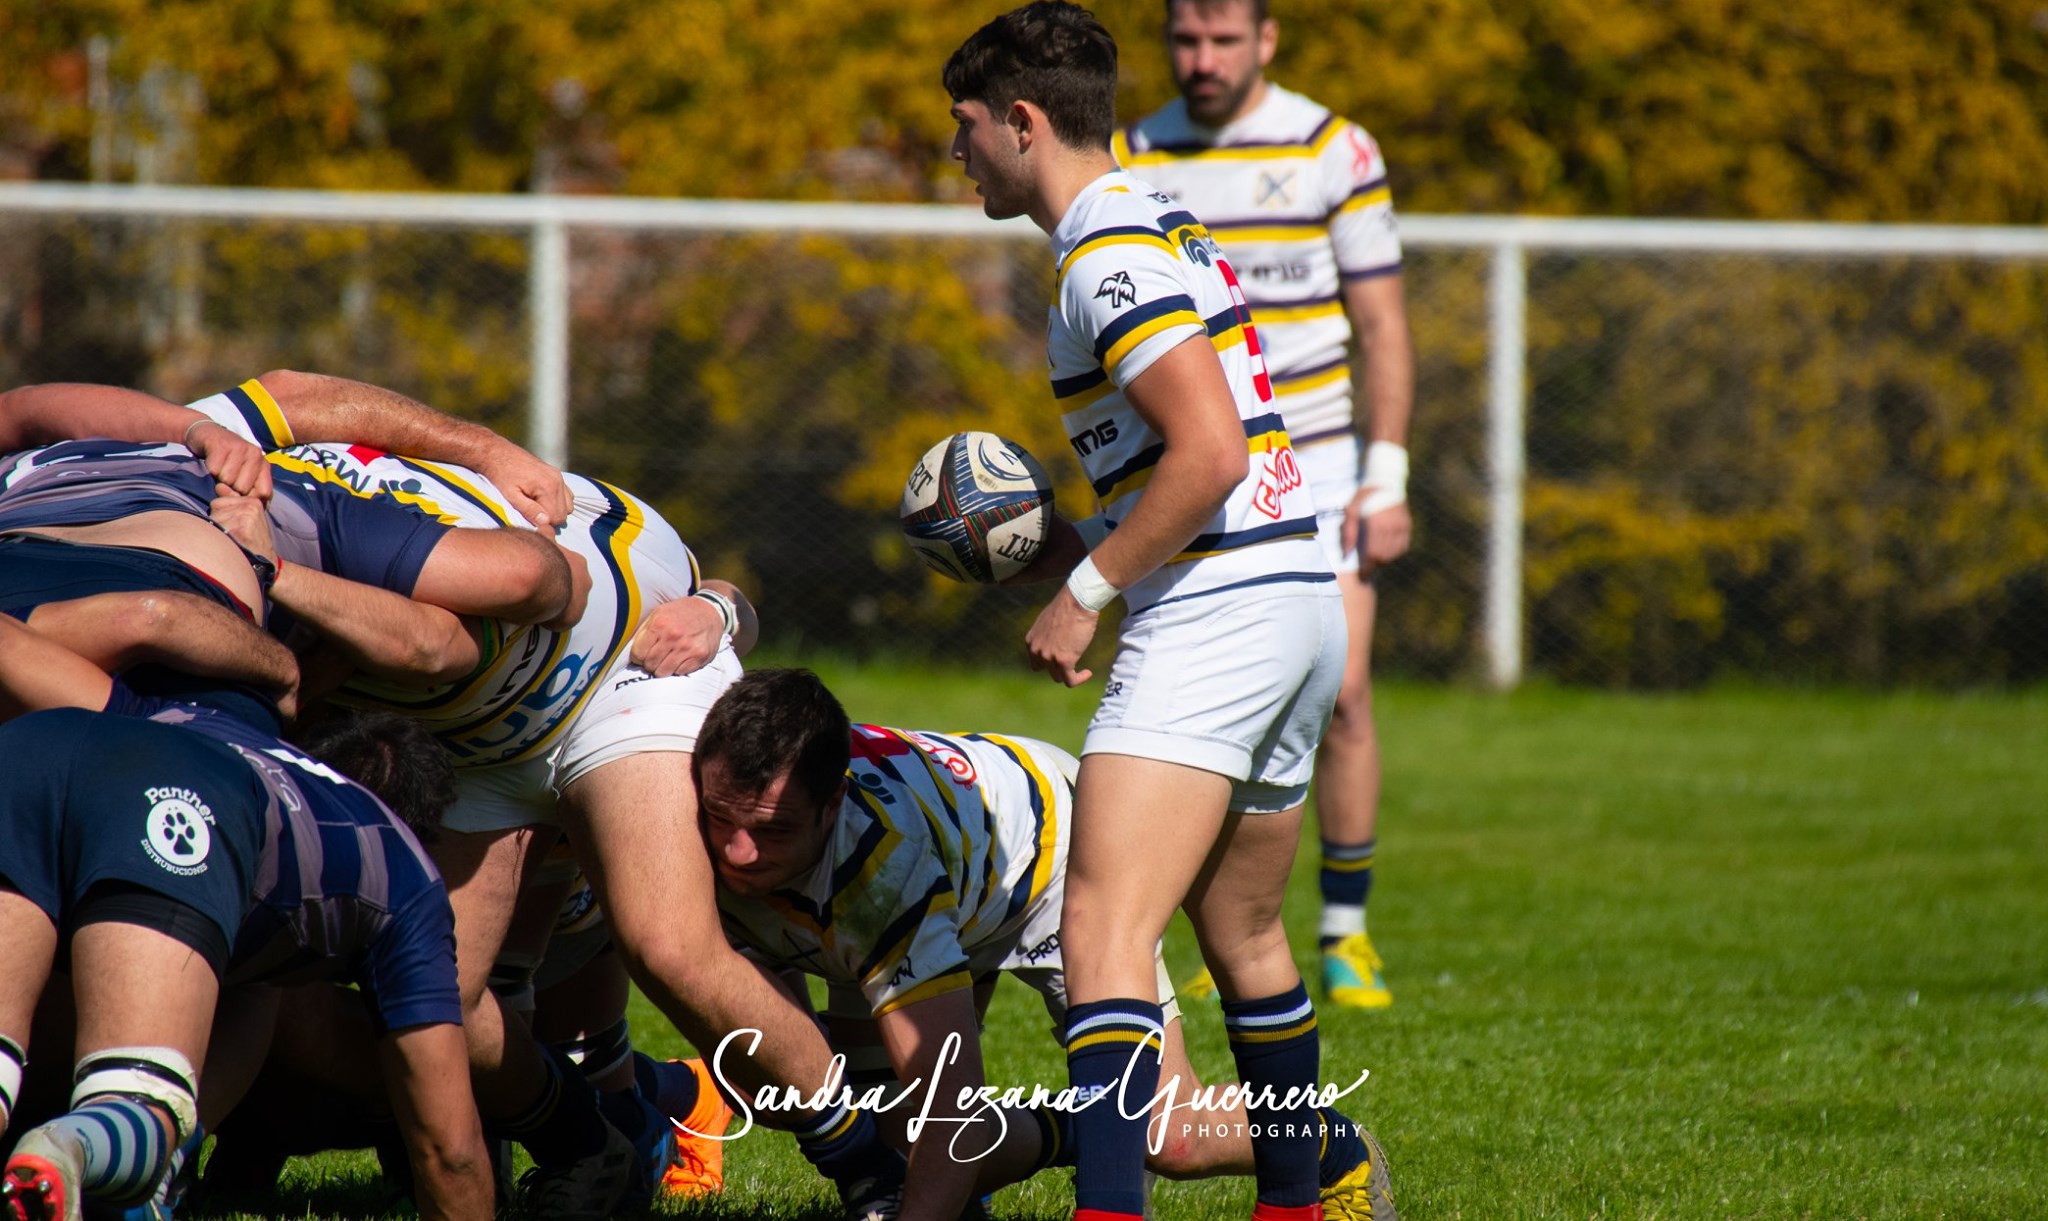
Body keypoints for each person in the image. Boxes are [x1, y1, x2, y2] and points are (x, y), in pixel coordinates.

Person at [6, 372, 908, 1218]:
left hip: (613, 664)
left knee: (666, 942)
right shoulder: (190, 491)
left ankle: (877, 1168)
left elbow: (484, 616)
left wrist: (480, 458)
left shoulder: (242, 491)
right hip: (472, 730)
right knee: (443, 1005)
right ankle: (600, 1137)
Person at [943, 1, 1395, 1221]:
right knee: (1243, 935)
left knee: (1099, 930)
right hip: (1294, 596)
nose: (959, 153)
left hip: (1221, 615)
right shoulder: (1161, 223)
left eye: (966, 126)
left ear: (1023, 123)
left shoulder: (1104, 256)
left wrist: (1086, 596)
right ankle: (1301, 1205)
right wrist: (1058, 550)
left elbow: (1207, 453)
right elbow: (1190, 473)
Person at [695, 668, 1381, 1220]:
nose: (737, 850)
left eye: (773, 830)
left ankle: (1328, 1144)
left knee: (1167, 1135)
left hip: (1053, 856)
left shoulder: (882, 869)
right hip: (945, 870)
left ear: (831, 804)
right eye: (720, 817)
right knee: (895, 1135)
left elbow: (951, 1109)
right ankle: (1076, 1138)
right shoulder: (694, 804)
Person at [1113, 0, 1415, 1010]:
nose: (1200, 59)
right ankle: (1236, 930)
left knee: (1340, 690)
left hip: (1319, 459)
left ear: (1265, 40)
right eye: (1183, 39)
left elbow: (1379, 325)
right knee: (1211, 703)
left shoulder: (1333, 148)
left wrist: (1386, 476)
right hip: (1202, 463)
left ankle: (1345, 932)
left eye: (1222, 40)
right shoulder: (1131, 154)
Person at [0, 617, 488, 1221]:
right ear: (424, 828)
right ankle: (79, 1146)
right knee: (132, 1102)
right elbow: (452, 1151)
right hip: (182, 798)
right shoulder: (407, 873)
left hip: (34, 744)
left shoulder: (225, 726)